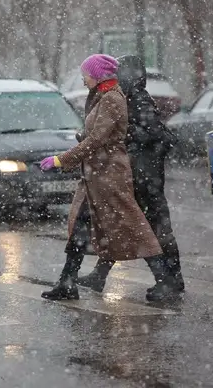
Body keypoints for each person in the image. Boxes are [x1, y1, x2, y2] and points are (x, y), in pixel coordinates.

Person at [39, 54, 177, 302]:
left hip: (110, 177)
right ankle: (67, 282)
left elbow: (97, 140)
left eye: (86, 75)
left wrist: (61, 160)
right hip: (95, 176)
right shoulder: (102, 96)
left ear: (99, 75)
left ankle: (164, 281)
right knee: (80, 228)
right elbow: (95, 135)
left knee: (133, 227)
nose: (83, 81)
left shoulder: (113, 99)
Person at [77, 55, 185, 294]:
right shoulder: (127, 97)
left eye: (119, 72)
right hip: (137, 175)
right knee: (121, 225)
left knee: (153, 228)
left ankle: (172, 280)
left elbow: (153, 134)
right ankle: (100, 275)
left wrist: (118, 136)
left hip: (145, 178)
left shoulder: (138, 99)